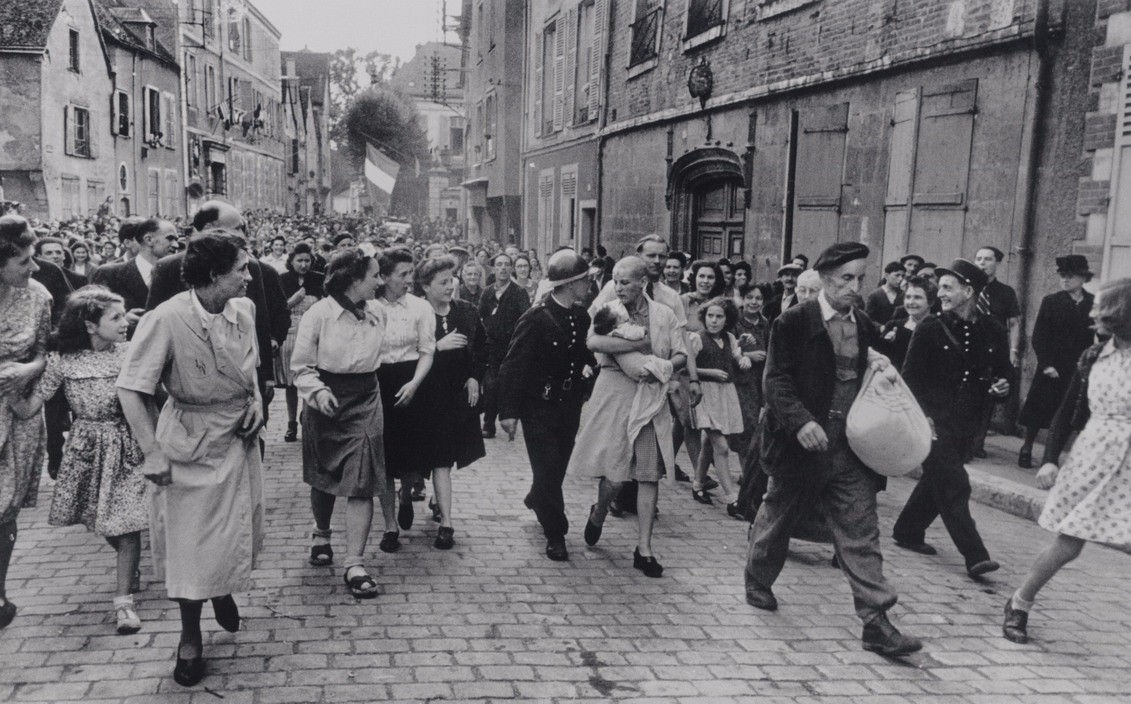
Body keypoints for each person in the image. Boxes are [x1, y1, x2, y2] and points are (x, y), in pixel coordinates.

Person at [743, 242, 922, 657]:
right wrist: (801, 421)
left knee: (861, 530)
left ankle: (877, 621)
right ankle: (757, 578)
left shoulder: (865, 324)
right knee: (777, 517)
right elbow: (776, 380)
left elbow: (868, 370)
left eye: (860, 278)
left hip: (849, 448)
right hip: (799, 446)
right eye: (846, 279)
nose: (855, 287)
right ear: (825, 280)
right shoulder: (793, 322)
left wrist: (880, 368)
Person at [117, 234, 265, 687]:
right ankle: (189, 637)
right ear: (214, 275)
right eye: (241, 269)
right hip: (188, 443)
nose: (249, 276)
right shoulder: (166, 318)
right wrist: (151, 451)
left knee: (235, 529)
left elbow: (251, 370)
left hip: (237, 439)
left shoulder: (244, 310)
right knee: (190, 546)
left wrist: (256, 402)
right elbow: (130, 389)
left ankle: (221, 589)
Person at [1002, 278, 1131, 645]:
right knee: (1069, 545)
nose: (1093, 314)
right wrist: (1049, 459)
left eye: (1100, 309)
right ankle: (1019, 603)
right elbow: (1065, 411)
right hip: (1094, 457)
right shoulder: (1093, 357)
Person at [9, 286, 144, 634]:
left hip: (128, 444)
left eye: (123, 315)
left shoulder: (131, 353)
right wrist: (9, 392)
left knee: (127, 525)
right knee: (102, 520)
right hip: (86, 449)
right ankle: (128, 565)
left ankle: (124, 603)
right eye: (115, 317)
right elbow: (30, 406)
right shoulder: (63, 361)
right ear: (89, 325)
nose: (125, 322)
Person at [571, 257, 689, 577]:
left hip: (651, 398)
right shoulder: (609, 310)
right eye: (615, 281)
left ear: (642, 283)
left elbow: (681, 353)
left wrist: (665, 367)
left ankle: (644, 549)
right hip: (615, 394)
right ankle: (599, 512)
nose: (619, 287)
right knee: (615, 476)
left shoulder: (663, 314)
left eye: (625, 282)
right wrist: (641, 343)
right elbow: (593, 341)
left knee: (648, 474)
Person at [892, 258, 1010, 578]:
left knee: (939, 480)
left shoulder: (993, 330)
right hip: (932, 422)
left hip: (968, 424)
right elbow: (910, 379)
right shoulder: (930, 327)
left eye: (948, 287)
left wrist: (1003, 385)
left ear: (968, 292)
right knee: (955, 483)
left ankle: (908, 530)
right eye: (940, 287)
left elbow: (1003, 372)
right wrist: (923, 417)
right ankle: (975, 555)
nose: (941, 293)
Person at [291, 248, 386, 598]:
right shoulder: (319, 315)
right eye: (375, 275)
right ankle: (322, 532)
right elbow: (301, 366)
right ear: (354, 279)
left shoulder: (377, 312)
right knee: (324, 473)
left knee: (363, 478)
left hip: (366, 398)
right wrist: (317, 392)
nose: (380, 282)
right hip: (326, 399)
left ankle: (354, 563)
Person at [498, 251, 594, 561]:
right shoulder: (536, 318)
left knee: (556, 467)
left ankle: (538, 496)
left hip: (568, 406)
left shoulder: (581, 316)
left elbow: (583, 356)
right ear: (570, 283)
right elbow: (513, 365)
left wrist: (589, 378)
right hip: (538, 407)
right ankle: (556, 532)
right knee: (549, 467)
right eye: (585, 280)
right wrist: (508, 412)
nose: (589, 285)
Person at [0, 214, 51, 631]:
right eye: (23, 261)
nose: (33, 267)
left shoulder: (38, 297)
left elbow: (46, 352)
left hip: (17, 412)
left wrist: (28, 369)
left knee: (5, 507)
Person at [416, 255, 487, 549]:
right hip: (423, 397)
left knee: (443, 459)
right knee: (422, 459)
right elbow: (403, 354)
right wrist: (436, 347)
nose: (450, 286)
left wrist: (474, 377)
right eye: (443, 282)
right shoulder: (416, 313)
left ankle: (446, 522)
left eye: (452, 280)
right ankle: (411, 496)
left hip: (455, 397)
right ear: (426, 286)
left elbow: (482, 349)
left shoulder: (467, 311)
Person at [375, 248, 435, 552]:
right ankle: (390, 525)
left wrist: (414, 384)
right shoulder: (370, 307)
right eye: (403, 274)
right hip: (378, 383)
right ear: (385, 277)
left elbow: (427, 350)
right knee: (383, 458)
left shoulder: (420, 307)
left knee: (412, 457)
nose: (410, 279)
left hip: (412, 381)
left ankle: (407, 494)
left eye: (412, 272)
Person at [1016, 255, 1095, 468]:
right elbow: (1039, 336)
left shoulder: (1092, 303)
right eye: (1062, 276)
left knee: (1069, 414)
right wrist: (1047, 364)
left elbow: (1098, 335)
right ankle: (1027, 447)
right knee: (1038, 409)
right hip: (1052, 366)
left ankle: (1052, 457)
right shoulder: (1052, 301)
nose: (1065, 280)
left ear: (1083, 278)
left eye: (1070, 276)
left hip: (1077, 368)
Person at [689, 297, 750, 518]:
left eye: (719, 316)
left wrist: (743, 360)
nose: (714, 321)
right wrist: (709, 372)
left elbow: (737, 357)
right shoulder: (696, 338)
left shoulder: (730, 338)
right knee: (721, 447)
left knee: (710, 442)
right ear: (704, 317)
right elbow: (686, 367)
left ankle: (698, 485)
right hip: (704, 395)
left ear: (727, 319)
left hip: (725, 395)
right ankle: (732, 499)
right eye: (710, 316)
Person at [969, 245, 1022, 459]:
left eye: (987, 259)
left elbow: (1014, 323)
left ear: (997, 263)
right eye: (979, 258)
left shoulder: (1006, 292)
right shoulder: (968, 288)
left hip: (993, 351)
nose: (982, 263)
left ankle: (977, 443)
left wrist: (1013, 350)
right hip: (969, 347)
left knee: (987, 397)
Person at [93, 218, 178, 335]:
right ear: (148, 239)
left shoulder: (179, 275)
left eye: (176, 240)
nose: (176, 245)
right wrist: (121, 321)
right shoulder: (109, 274)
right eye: (170, 238)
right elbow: (92, 319)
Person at [478, 253, 530, 439]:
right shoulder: (487, 292)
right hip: (491, 347)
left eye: (507, 264)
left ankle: (509, 421)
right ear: (493, 268)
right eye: (499, 264)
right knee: (491, 384)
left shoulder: (519, 293)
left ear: (511, 268)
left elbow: (525, 320)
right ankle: (488, 424)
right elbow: (480, 317)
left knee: (508, 385)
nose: (503, 268)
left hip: (511, 348)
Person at [279, 243, 325, 442]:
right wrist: (294, 300)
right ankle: (291, 424)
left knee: (312, 377)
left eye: (307, 260)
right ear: (291, 261)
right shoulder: (283, 279)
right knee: (291, 382)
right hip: (290, 334)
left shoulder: (318, 279)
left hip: (314, 334)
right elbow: (278, 309)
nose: (304, 265)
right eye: (299, 260)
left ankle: (308, 418)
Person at [731, 282, 772, 466]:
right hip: (740, 383)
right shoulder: (734, 321)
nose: (754, 302)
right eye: (750, 297)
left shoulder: (765, 323)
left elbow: (770, 349)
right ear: (742, 298)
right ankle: (746, 473)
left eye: (759, 298)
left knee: (755, 427)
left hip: (758, 383)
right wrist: (748, 355)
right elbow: (725, 351)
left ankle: (700, 476)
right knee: (745, 429)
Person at [875, 276, 936, 372]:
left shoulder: (938, 328)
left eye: (917, 297)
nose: (911, 302)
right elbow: (880, 359)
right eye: (908, 297)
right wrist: (887, 343)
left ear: (931, 302)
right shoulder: (893, 326)